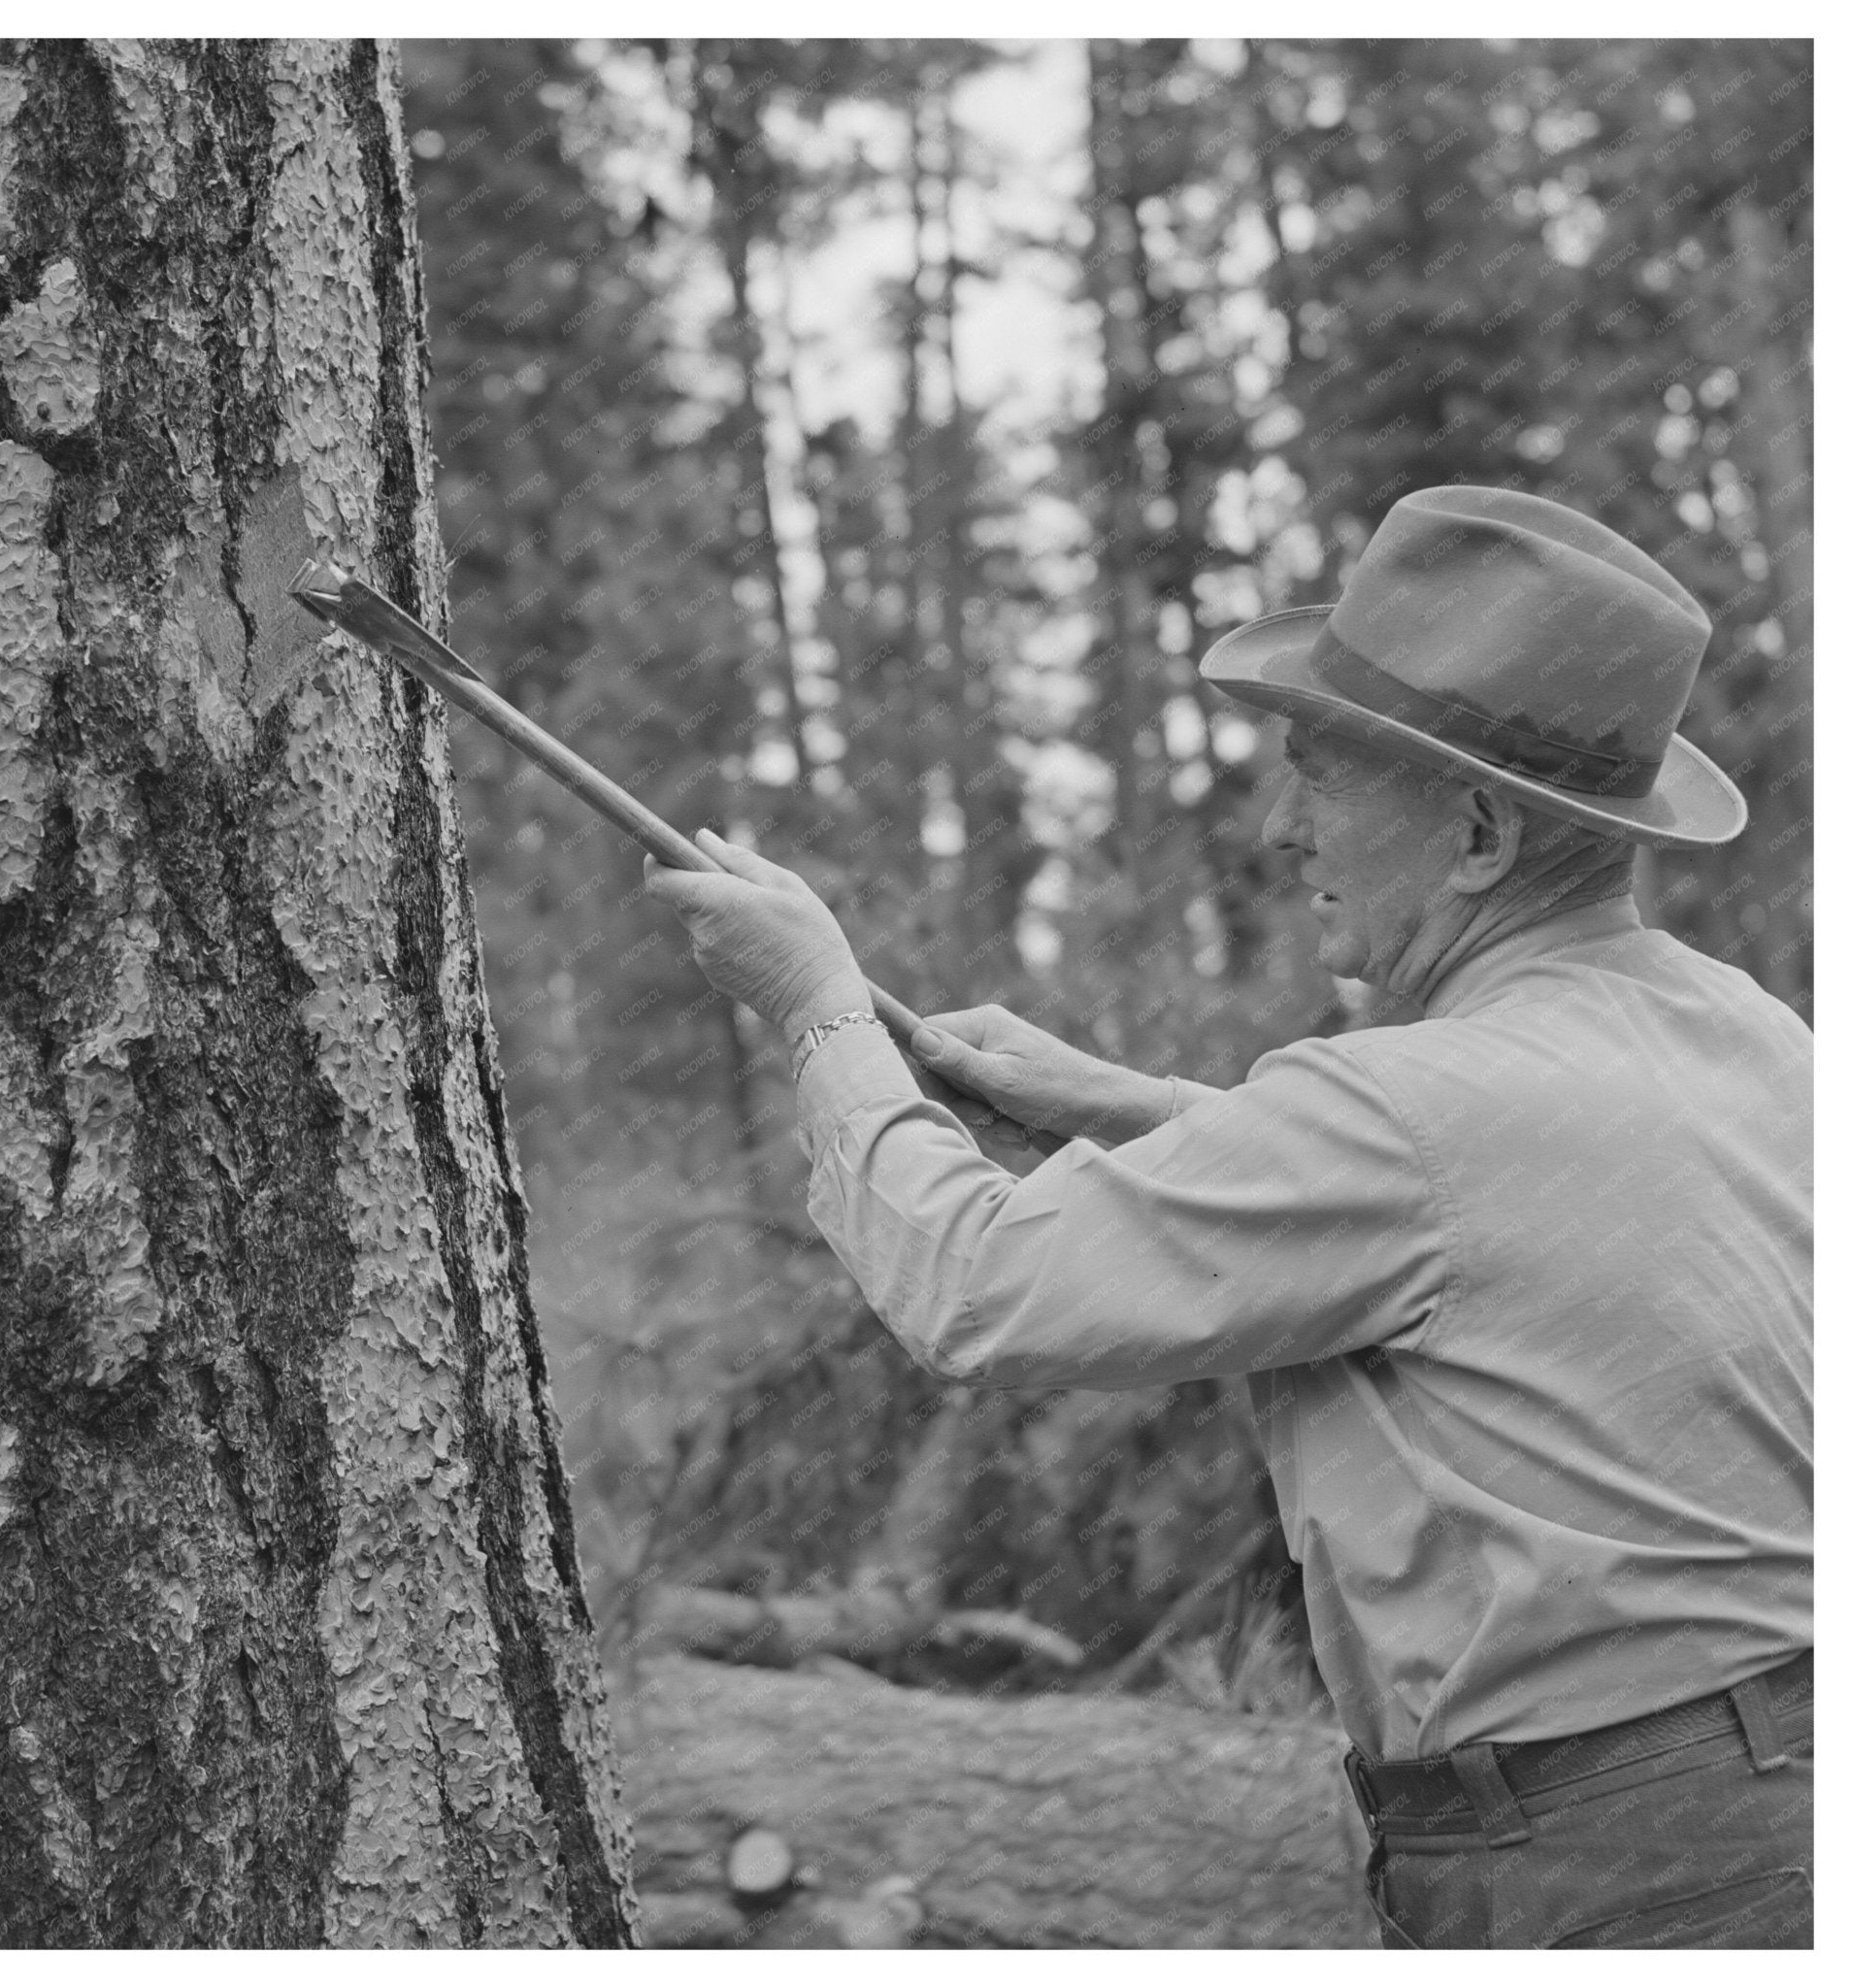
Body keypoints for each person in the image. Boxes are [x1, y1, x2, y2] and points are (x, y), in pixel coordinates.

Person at [644, 486, 1812, 1949]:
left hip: (1618, 1865)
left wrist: (817, 1014)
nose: (1275, 826)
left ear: (1476, 834)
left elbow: (981, 1286)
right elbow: (1492, 1216)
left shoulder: (1406, 1107)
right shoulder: (1746, 1036)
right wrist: (1128, 1101)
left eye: (1318, 775)